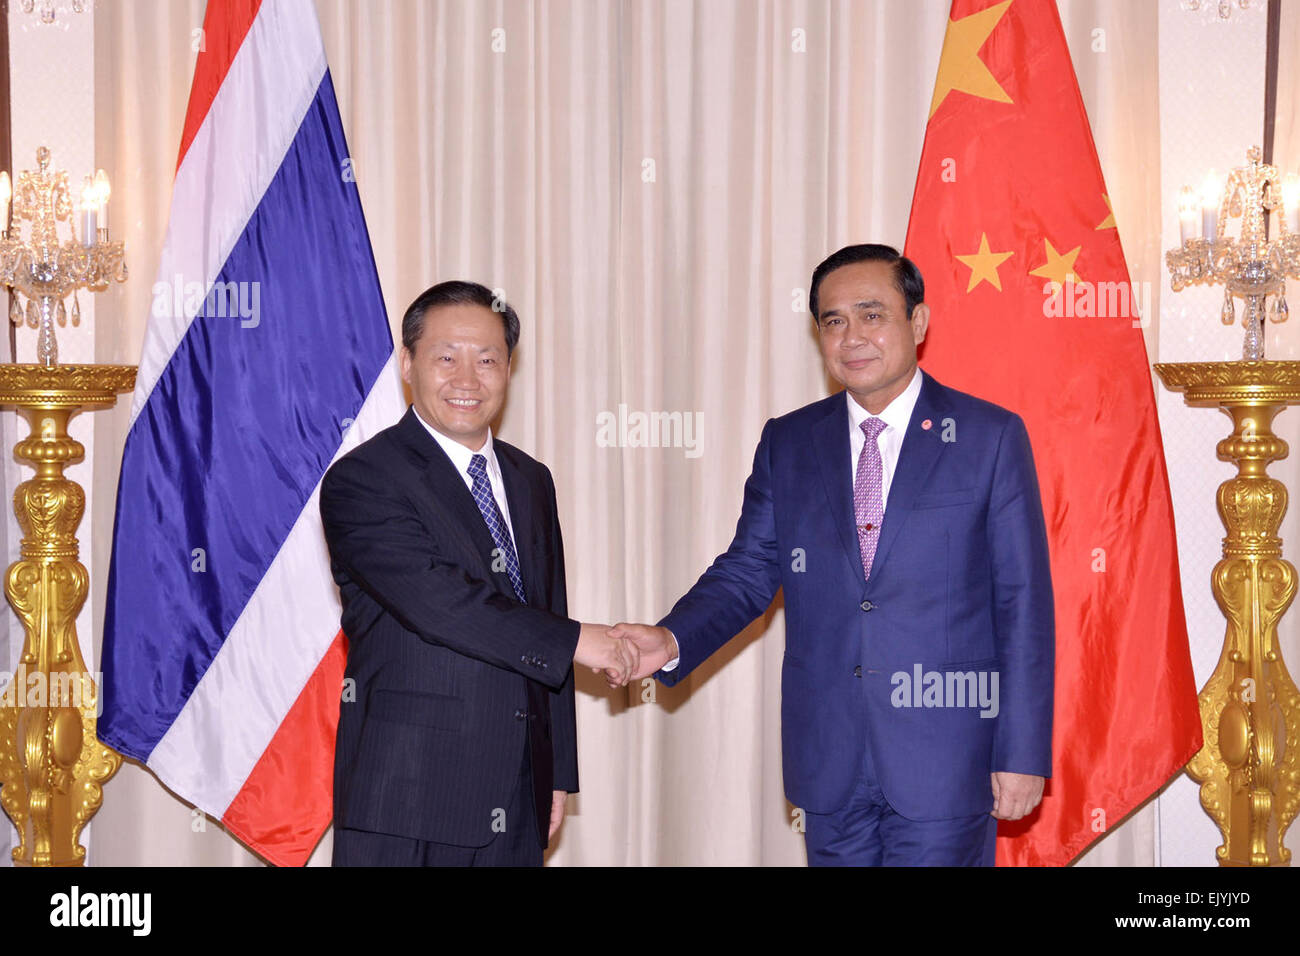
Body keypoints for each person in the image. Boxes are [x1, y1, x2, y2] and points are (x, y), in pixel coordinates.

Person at [614, 244, 1054, 866]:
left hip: (948, 757)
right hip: (829, 761)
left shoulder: (989, 436)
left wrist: (1021, 751)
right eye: (833, 320)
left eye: (872, 314)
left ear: (918, 323)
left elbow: (1023, 603)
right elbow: (748, 571)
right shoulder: (790, 442)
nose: (852, 336)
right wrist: (670, 638)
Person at [320, 280, 635, 866]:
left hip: (517, 787)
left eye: (488, 359)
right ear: (409, 364)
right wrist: (581, 642)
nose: (468, 380)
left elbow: (546, 610)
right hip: (406, 794)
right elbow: (441, 602)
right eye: (446, 357)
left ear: (509, 368)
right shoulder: (363, 479)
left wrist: (556, 769)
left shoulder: (529, 478)